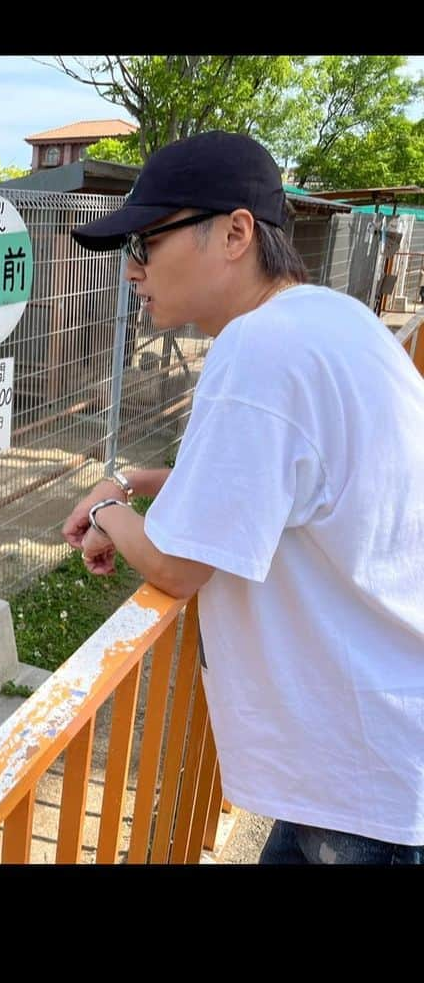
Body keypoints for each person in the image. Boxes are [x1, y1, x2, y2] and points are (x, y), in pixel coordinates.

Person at [61, 131, 424, 865]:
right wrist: (136, 481)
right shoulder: (334, 319)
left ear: (234, 233)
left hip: (360, 781)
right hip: (374, 751)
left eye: (147, 243)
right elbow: (274, 485)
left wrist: (104, 508)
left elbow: (176, 564)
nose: (133, 271)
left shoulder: (258, 349)